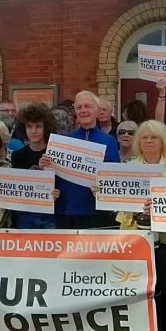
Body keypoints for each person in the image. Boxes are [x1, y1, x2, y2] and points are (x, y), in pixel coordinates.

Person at [119, 120, 166, 331]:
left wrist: (157, 206)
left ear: (163, 141)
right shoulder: (128, 166)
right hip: (137, 240)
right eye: (145, 137)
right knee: (138, 290)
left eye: (154, 137)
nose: (148, 141)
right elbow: (119, 203)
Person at [50, 91, 120, 229]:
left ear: (98, 111)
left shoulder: (109, 141)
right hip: (66, 209)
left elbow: (114, 178)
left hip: (96, 211)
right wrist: (46, 167)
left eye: (87, 106)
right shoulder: (64, 140)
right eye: (79, 107)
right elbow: (55, 177)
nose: (83, 110)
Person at [10, 102, 60, 229]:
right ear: (23, 128)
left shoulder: (55, 154)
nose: (33, 131)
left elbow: (61, 184)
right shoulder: (17, 155)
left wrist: (56, 192)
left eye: (38, 126)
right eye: (29, 127)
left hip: (51, 214)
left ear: (46, 128)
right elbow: (15, 185)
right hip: (24, 215)